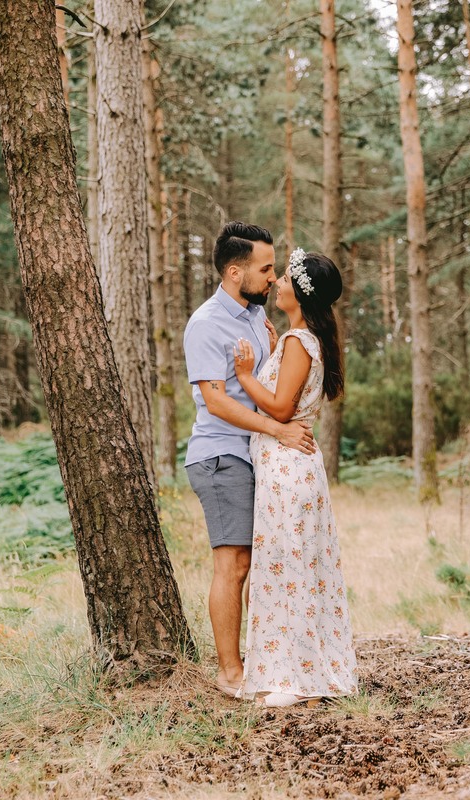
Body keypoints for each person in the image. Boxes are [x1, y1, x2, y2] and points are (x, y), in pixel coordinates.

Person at [183, 222, 317, 699]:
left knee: (258, 563)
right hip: (221, 455)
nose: (273, 275)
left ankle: (266, 661)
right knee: (233, 565)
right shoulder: (205, 324)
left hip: (254, 456)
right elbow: (217, 402)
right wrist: (278, 429)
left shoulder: (254, 318)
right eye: (265, 269)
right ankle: (229, 673)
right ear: (234, 272)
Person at [232, 248, 358, 708]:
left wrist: (246, 376)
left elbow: (282, 407)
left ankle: (295, 679)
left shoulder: (298, 342)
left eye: (285, 278)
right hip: (290, 469)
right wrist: (271, 347)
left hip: (287, 471)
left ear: (300, 294)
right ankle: (301, 670)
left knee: (288, 571)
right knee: (296, 570)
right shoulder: (299, 340)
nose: (277, 283)